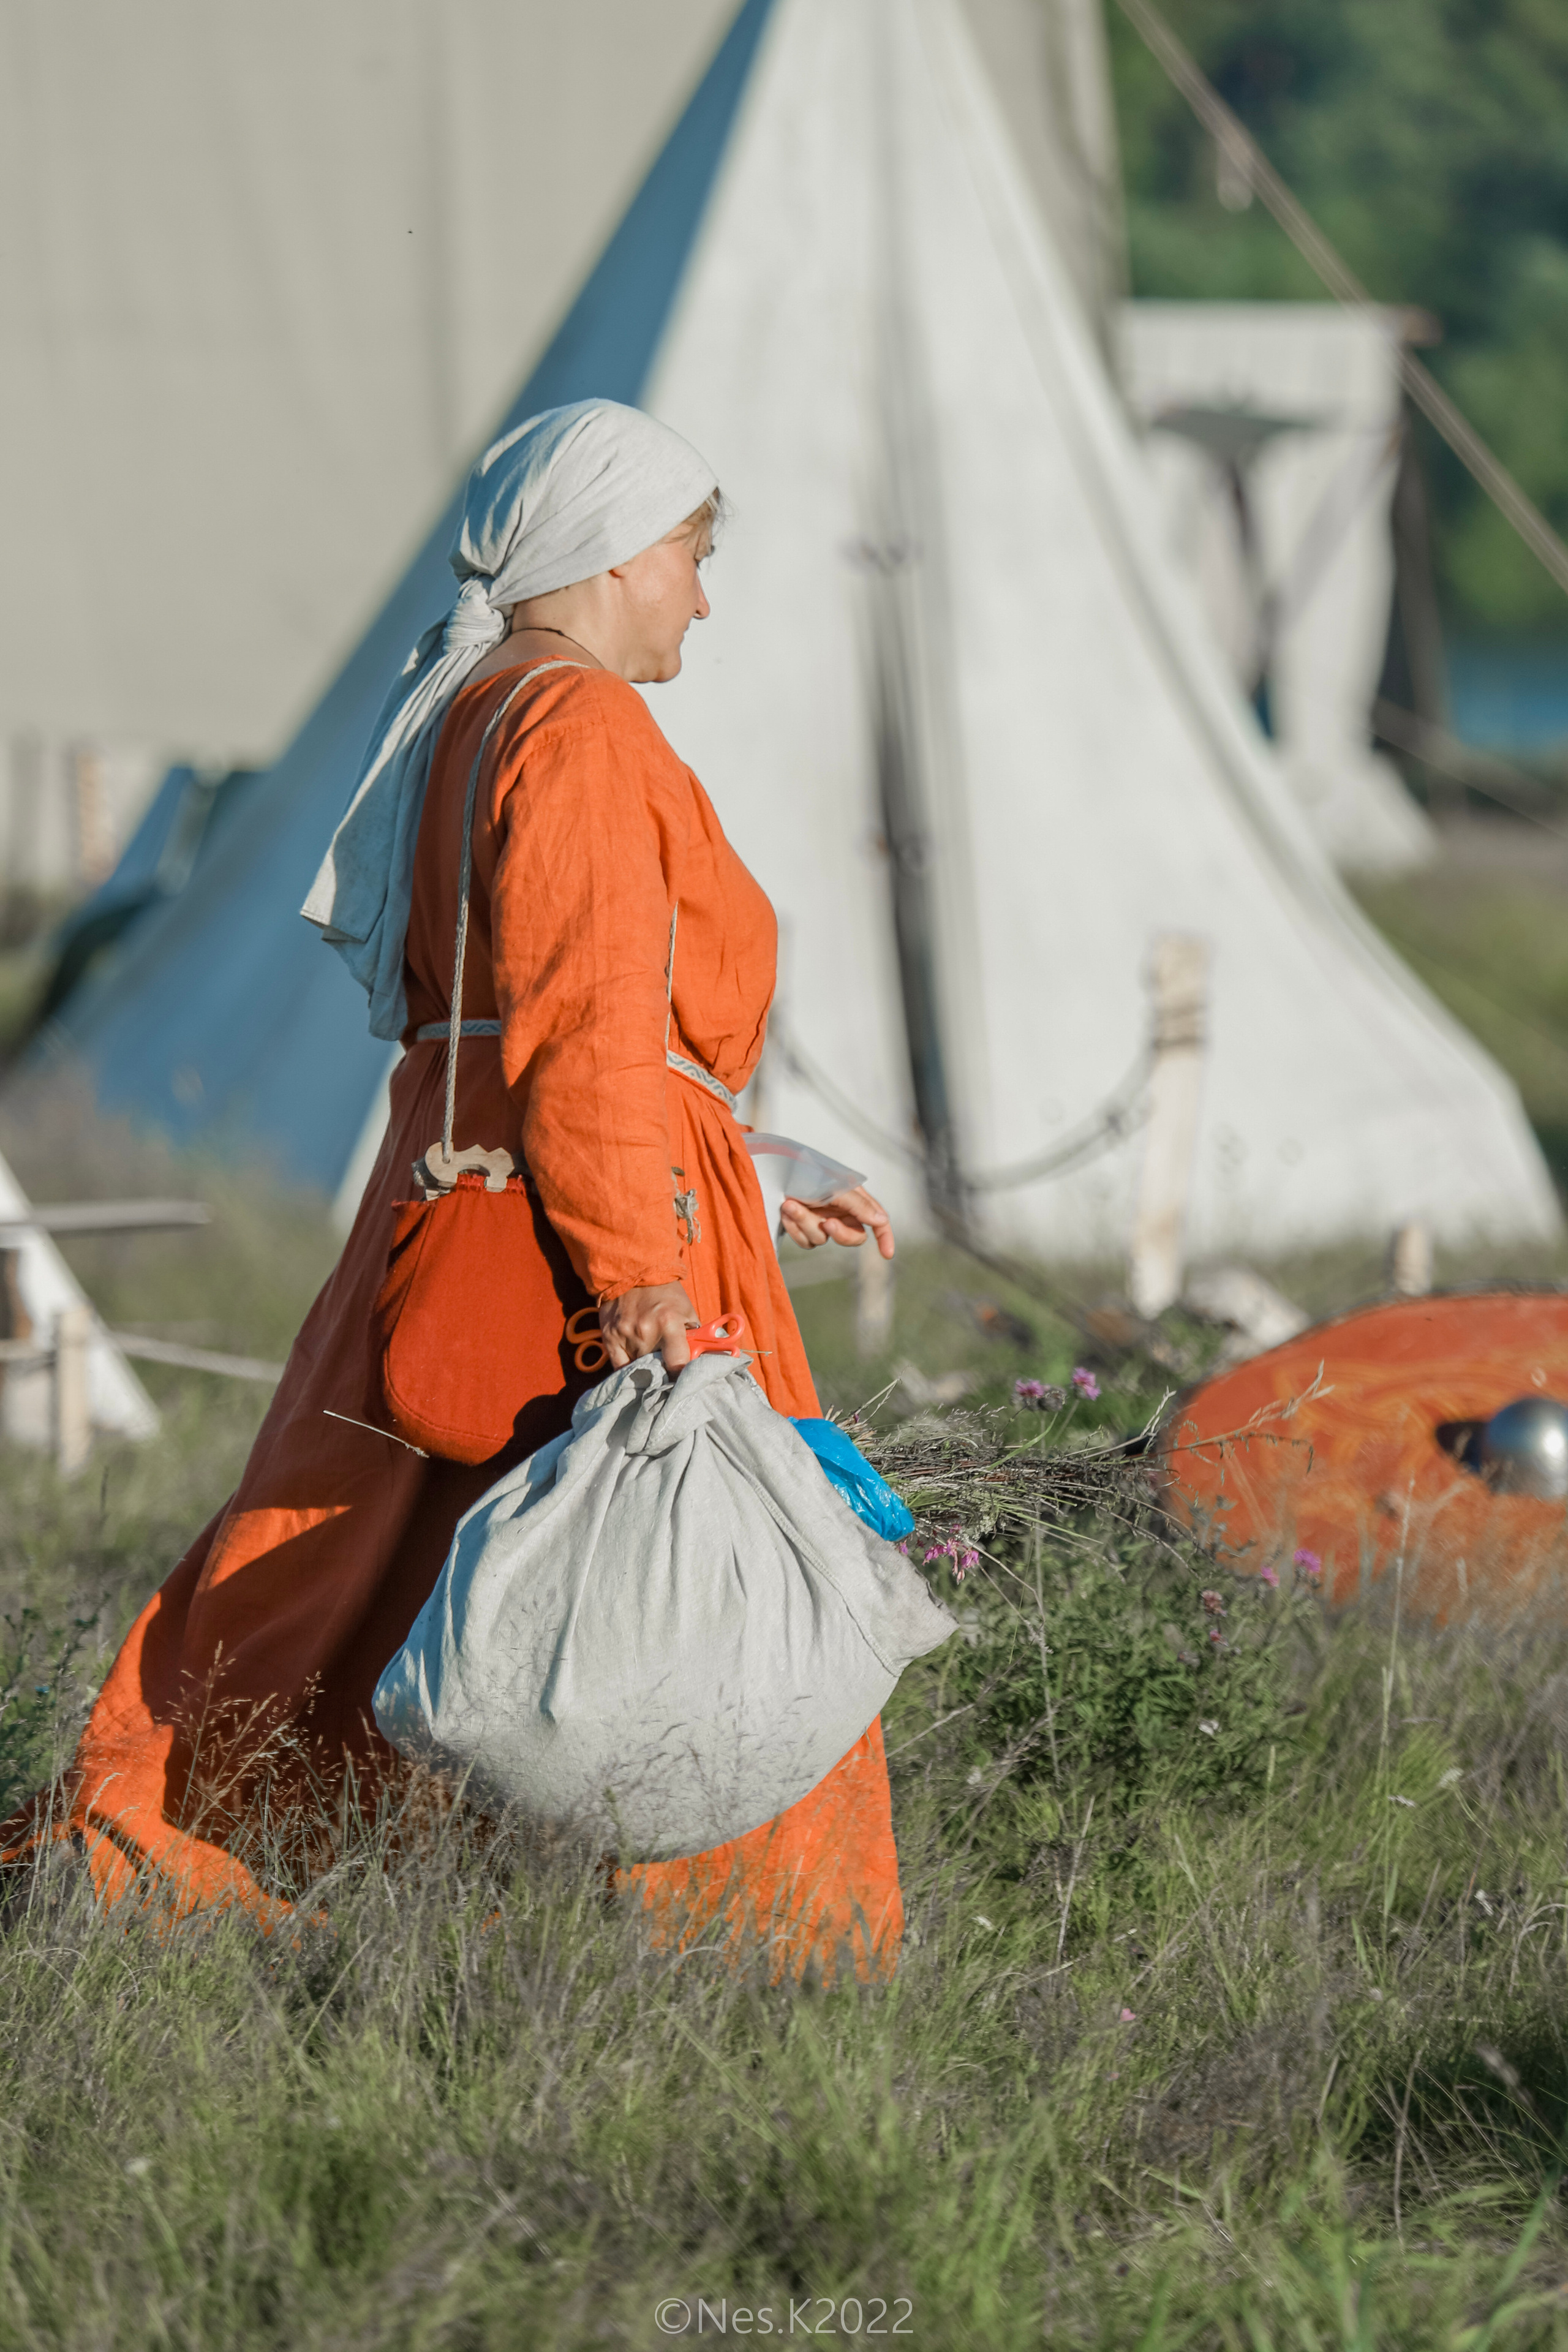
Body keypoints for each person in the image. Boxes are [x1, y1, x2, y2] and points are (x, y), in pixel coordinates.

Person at [6, 401, 905, 1976]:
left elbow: (543, 1035)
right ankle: (729, 1952)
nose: (703, 595)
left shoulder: (490, 705)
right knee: (667, 1576)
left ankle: (270, 1886)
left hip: (497, 1192)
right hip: (587, 1238)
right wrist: (644, 1271)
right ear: (618, 554)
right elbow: (577, 1024)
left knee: (382, 1562)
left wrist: (743, 1175)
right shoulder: (572, 725)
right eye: (694, 558)